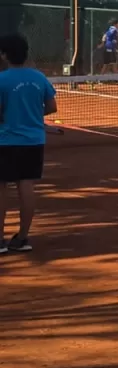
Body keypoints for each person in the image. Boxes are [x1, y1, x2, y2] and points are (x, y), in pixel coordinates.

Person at [0, 33, 57, 253]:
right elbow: (51, 107)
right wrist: (33, 115)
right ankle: (23, 238)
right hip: (33, 141)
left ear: (4, 55)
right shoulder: (39, 78)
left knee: (1, 186)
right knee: (26, 185)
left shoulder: (2, 79)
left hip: (5, 141)